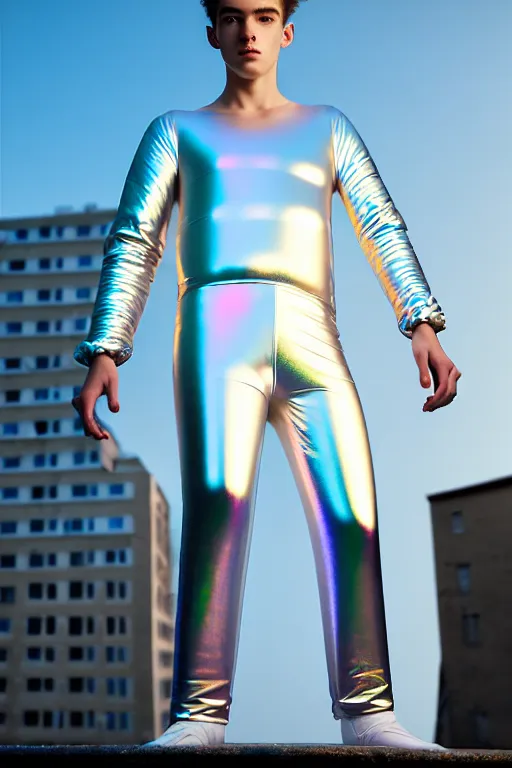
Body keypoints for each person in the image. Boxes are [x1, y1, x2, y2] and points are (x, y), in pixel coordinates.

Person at [72, 0, 461, 750]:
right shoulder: (177, 132)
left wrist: (421, 322)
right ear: (212, 31)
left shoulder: (328, 127)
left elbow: (381, 223)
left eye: (263, 14)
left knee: (351, 509)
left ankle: (369, 711)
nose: (247, 30)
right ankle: (199, 718)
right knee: (220, 503)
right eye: (231, 15)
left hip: (315, 330)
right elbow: (135, 240)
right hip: (217, 327)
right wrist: (106, 350)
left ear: (286, 30)